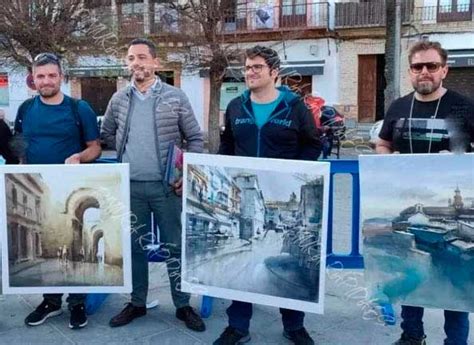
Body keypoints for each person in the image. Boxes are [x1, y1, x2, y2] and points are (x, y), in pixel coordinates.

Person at [216, 45, 321, 345]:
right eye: (247, 67)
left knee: (290, 267)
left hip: (282, 187)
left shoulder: (294, 107)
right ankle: (237, 327)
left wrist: (292, 174)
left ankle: (294, 325)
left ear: (274, 72)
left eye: (257, 67)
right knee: (240, 280)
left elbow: (313, 144)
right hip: (248, 189)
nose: (250, 72)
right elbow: (226, 146)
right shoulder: (236, 106)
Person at [101, 38, 205, 331]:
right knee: (134, 248)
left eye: (143, 57)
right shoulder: (119, 99)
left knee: (175, 246)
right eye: (131, 58)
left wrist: (185, 173)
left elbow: (195, 139)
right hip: (131, 188)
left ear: (156, 63)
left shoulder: (176, 97)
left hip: (167, 188)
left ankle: (183, 305)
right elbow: (107, 132)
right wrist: (126, 155)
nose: (137, 63)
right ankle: (136, 303)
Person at [376, 40, 474, 345]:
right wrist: (385, 159)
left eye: (432, 66)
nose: (425, 72)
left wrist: (458, 161)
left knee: (456, 286)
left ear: (444, 69)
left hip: (448, 207)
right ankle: (412, 336)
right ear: (410, 72)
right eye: (418, 66)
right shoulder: (398, 107)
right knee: (413, 274)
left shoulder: (464, 107)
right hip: (410, 206)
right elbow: (383, 143)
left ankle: (455, 342)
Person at [18, 53, 101, 329]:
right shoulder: (25, 110)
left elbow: (95, 147)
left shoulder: (80, 108)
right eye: (40, 76)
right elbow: (21, 150)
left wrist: (80, 156)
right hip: (42, 192)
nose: (46, 81)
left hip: (73, 189)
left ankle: (77, 302)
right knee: (48, 245)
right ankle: (51, 302)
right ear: (34, 79)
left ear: (61, 77)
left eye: (52, 75)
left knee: (75, 243)